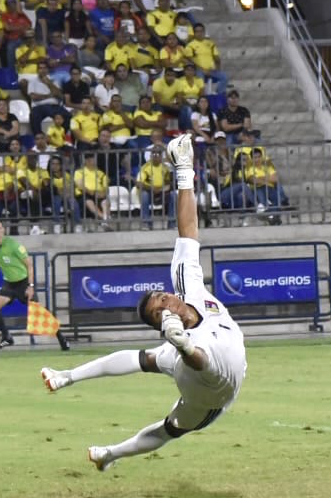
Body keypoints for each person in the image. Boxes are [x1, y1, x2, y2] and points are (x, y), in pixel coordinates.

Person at [40, 134, 247, 471]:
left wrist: (183, 169)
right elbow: (202, 362)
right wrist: (181, 344)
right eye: (158, 309)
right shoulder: (185, 350)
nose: (165, 300)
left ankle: (71, 384)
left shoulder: (187, 285)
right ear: (161, 322)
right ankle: (111, 451)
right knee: (170, 429)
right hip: (212, 398)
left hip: (203, 350)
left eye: (162, 296)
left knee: (146, 360)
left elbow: (189, 228)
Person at [0, 219, 69, 352]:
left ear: (3, 229)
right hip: (9, 284)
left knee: (40, 313)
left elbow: (29, 265)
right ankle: (7, 337)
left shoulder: (14, 245)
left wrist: (31, 286)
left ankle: (62, 339)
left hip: (23, 282)